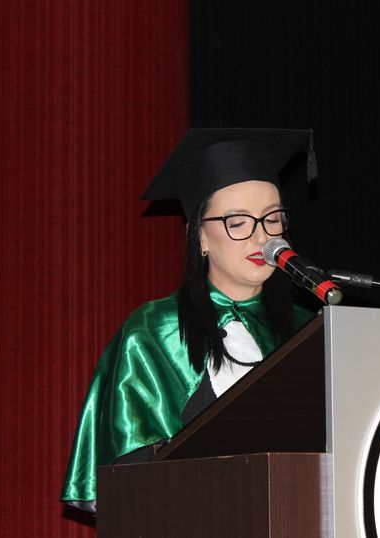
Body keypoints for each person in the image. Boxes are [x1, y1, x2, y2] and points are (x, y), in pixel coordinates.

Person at [60, 128, 317, 513]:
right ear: (200, 238)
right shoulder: (154, 330)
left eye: (273, 219)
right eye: (238, 222)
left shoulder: (308, 330)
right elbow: (131, 474)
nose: (261, 237)